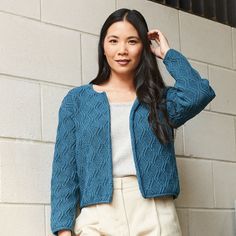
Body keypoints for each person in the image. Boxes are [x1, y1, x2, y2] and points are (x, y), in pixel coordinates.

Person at [50, 8, 216, 236]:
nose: (122, 50)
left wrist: (168, 53)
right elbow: (64, 171)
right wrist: (63, 229)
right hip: (98, 214)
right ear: (103, 46)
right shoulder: (77, 101)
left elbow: (199, 93)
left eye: (132, 41)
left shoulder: (159, 100)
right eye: (114, 41)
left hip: (155, 211)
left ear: (144, 48)